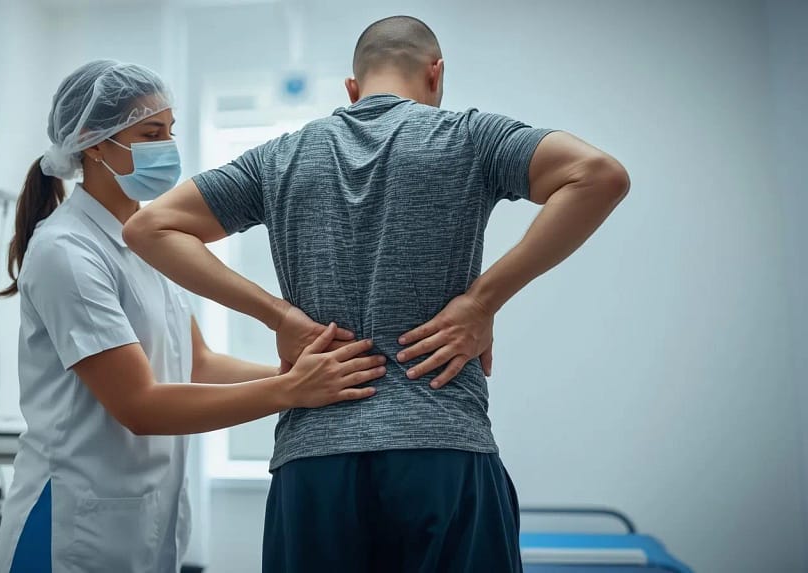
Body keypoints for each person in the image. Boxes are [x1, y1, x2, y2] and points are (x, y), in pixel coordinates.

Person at [124, 15, 630, 573]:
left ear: (352, 88)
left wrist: (278, 316)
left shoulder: (280, 157)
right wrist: (483, 302)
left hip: (315, 460)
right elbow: (599, 175)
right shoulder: (468, 135)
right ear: (436, 75)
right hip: (440, 446)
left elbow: (151, 228)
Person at [0, 59, 385, 573]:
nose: (168, 147)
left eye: (169, 132)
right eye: (150, 133)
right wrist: (292, 392)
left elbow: (196, 361)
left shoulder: (142, 243)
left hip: (140, 520)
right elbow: (140, 404)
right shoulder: (67, 251)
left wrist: (306, 377)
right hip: (69, 525)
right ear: (93, 143)